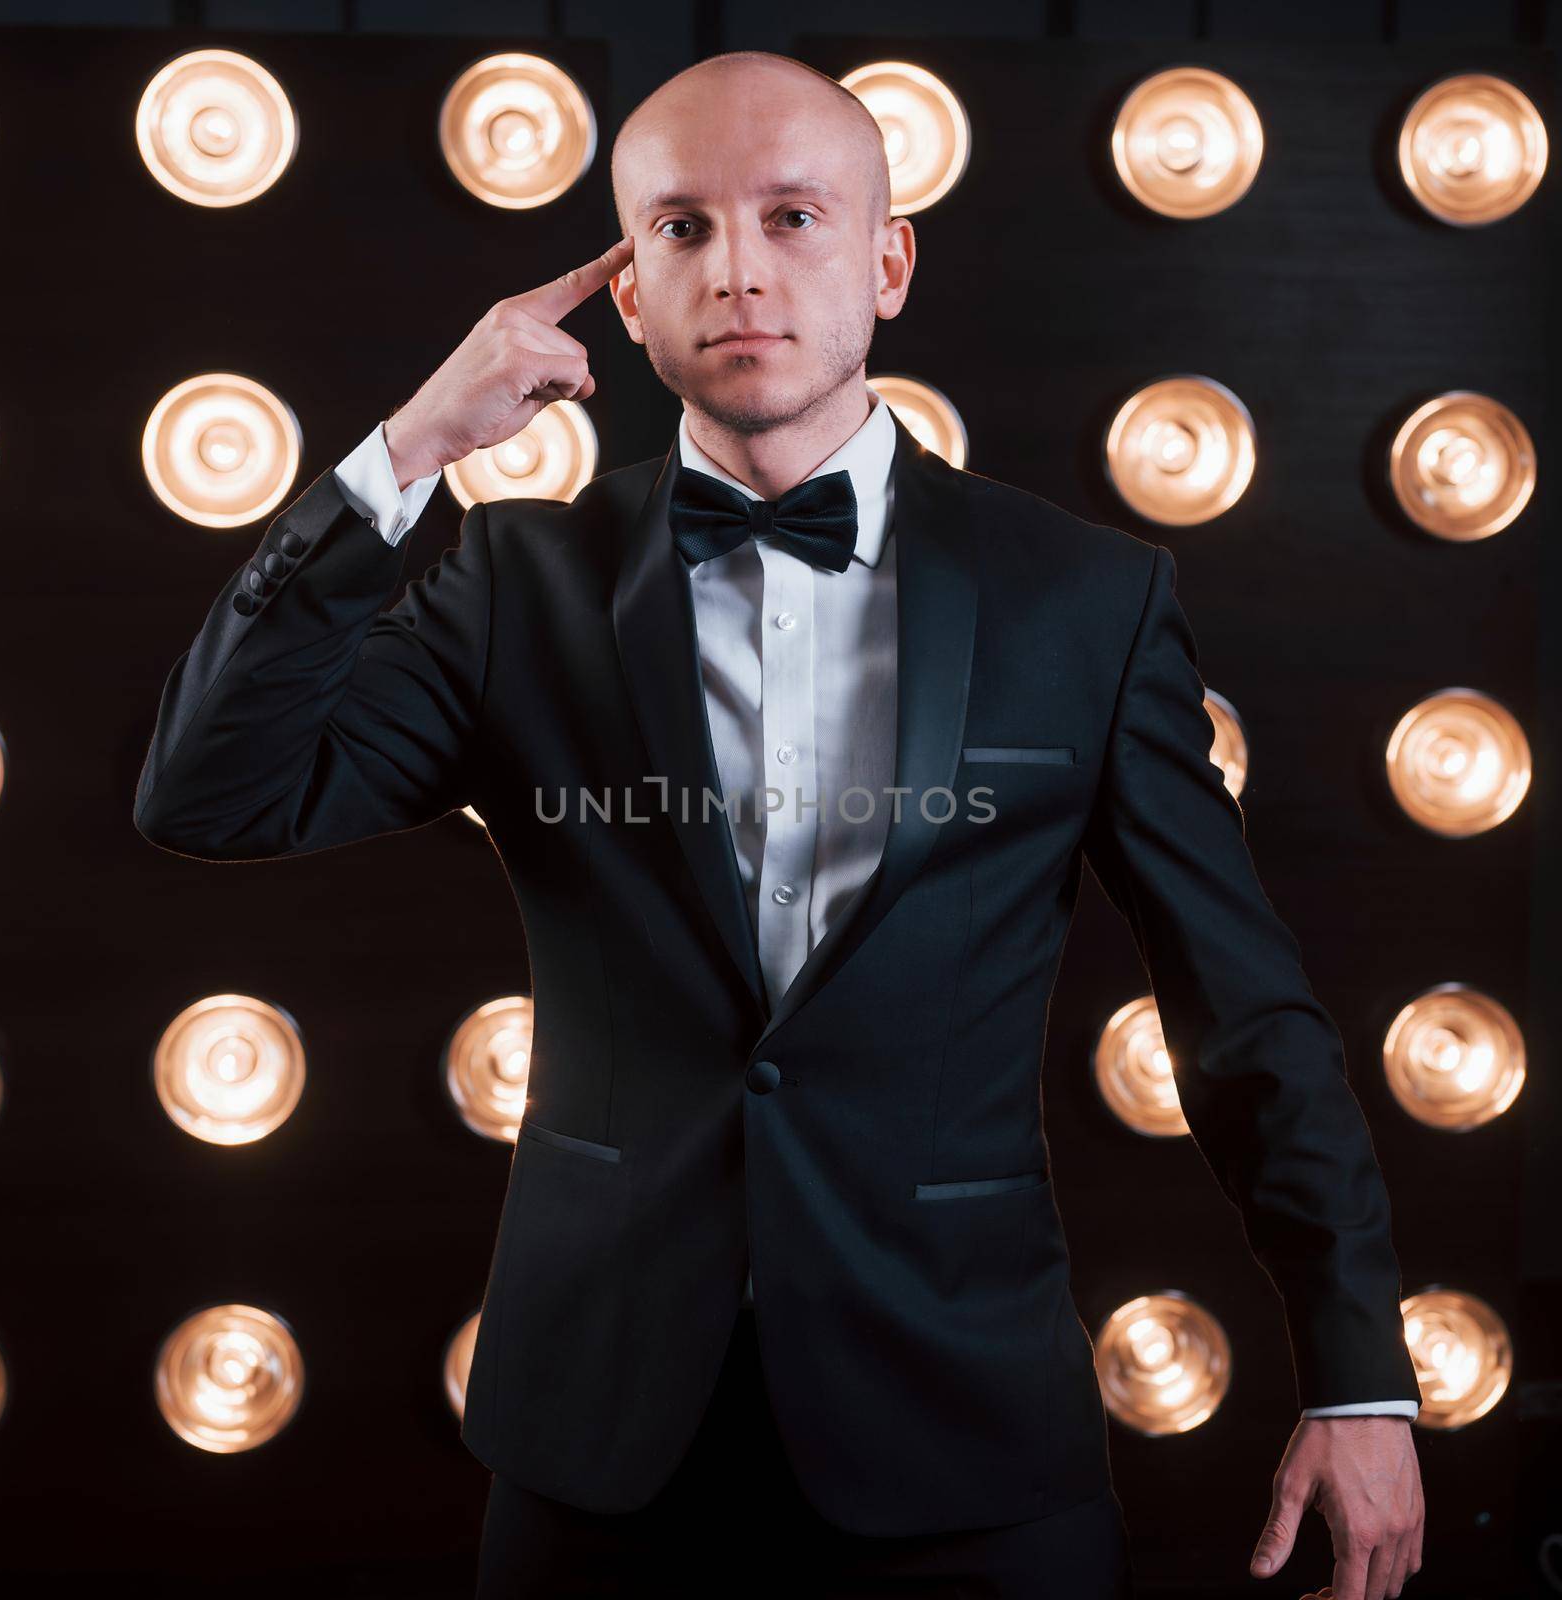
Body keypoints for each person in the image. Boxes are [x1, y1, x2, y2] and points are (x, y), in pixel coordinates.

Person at [133, 48, 1426, 1600]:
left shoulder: (1084, 600)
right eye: (680, 229)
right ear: (624, 293)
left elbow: (1244, 1012)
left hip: (968, 1442)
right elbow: (210, 793)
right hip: (598, 1449)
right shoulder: (511, 589)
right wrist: (407, 450)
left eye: (795, 216)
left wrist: (1359, 1377)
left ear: (888, 263)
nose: (738, 269)